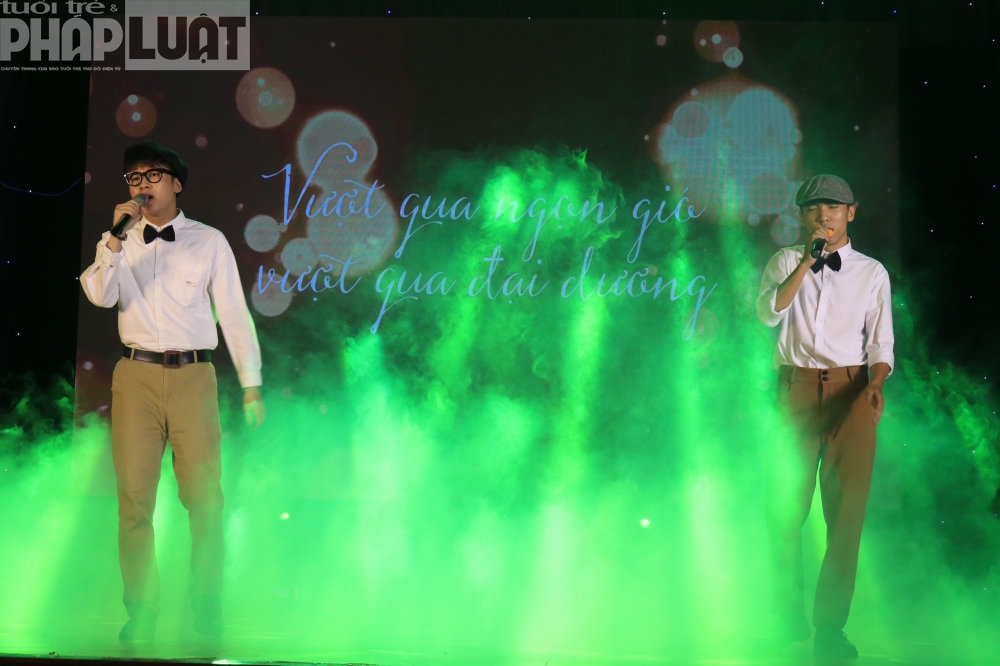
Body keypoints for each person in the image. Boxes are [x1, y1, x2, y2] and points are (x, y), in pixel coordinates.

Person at [80, 141, 266, 641]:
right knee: (134, 500)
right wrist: (113, 242)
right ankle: (141, 609)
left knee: (205, 498)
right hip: (135, 377)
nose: (142, 184)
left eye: (153, 174)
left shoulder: (209, 241)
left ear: (177, 183)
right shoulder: (118, 242)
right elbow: (98, 295)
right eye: (134, 177)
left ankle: (207, 600)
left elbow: (233, 314)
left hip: (192, 376)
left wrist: (251, 384)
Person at [755, 174, 894, 659]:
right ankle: (785, 620)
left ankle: (830, 628)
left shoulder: (871, 272)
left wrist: (876, 383)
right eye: (813, 208)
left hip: (851, 392)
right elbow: (768, 314)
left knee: (845, 515)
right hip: (793, 391)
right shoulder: (785, 261)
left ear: (850, 212)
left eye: (833, 207)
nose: (823, 216)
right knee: (781, 509)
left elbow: (881, 342)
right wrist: (806, 263)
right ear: (802, 216)